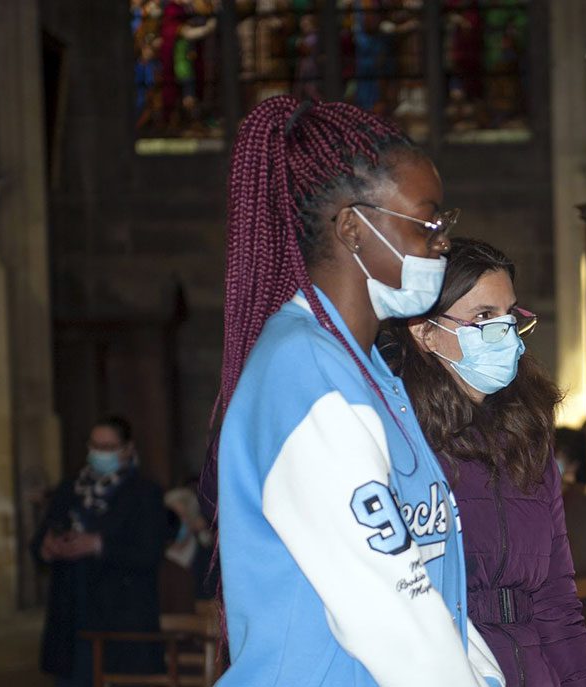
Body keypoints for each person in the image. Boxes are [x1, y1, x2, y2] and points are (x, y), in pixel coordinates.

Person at [209, 96, 502, 686]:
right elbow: (390, 610)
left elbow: (427, 585)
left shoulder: (363, 368)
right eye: (427, 223)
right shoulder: (307, 377)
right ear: (353, 228)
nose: (442, 242)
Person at [384, 238, 586, 686]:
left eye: (509, 315)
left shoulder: (528, 438)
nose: (504, 332)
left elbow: (557, 602)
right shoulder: (398, 439)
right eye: (484, 317)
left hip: (532, 669)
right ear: (424, 331)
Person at [32, 416, 168, 687]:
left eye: (108, 447)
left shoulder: (144, 493)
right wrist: (48, 547)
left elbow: (149, 553)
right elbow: (39, 541)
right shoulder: (69, 489)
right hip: (72, 614)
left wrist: (97, 545)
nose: (100, 453)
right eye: (95, 446)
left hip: (120, 616)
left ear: (127, 449)